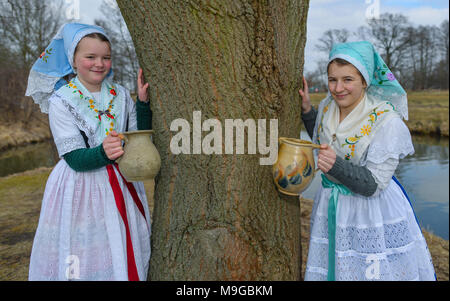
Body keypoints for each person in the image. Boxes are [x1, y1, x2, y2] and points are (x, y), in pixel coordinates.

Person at [298, 41, 436, 281]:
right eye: (332, 79)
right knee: (341, 266)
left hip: (370, 211)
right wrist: (308, 111)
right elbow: (323, 139)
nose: (338, 88)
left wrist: (335, 166)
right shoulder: (327, 106)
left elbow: (372, 185)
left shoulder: (386, 120)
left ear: (365, 80)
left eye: (348, 79)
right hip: (332, 204)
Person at [25, 23, 153, 280]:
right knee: (87, 247)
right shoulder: (62, 101)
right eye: (90, 57)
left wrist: (141, 103)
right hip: (81, 185)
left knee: (121, 240)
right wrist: (104, 153)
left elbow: (138, 138)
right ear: (73, 60)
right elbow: (73, 158)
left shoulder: (120, 95)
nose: (99, 64)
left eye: (106, 57)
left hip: (121, 180)